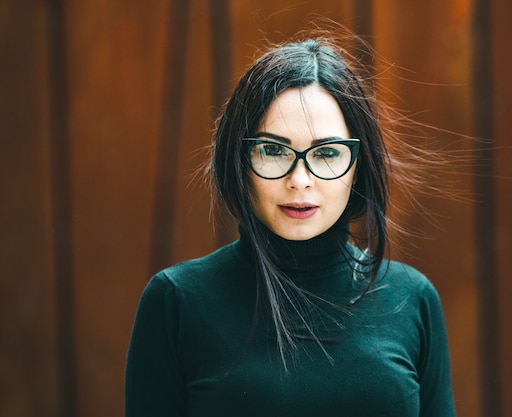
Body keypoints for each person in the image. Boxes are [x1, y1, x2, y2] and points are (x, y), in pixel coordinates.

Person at [125, 33, 456, 417]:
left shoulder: (412, 299)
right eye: (273, 150)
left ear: (359, 164)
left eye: (327, 152)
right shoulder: (176, 302)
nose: (300, 179)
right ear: (239, 160)